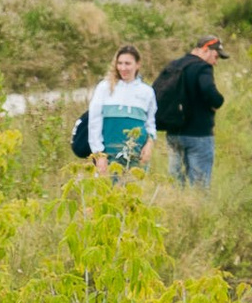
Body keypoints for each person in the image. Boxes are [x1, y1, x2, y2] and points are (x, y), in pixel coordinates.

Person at [156, 35, 229, 188]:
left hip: (174, 134)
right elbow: (210, 91)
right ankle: (198, 211)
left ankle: (178, 211)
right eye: (215, 56)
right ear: (205, 49)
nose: (215, 62)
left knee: (176, 185)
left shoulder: (174, 65)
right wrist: (218, 101)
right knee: (199, 187)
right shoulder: (202, 67)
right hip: (198, 135)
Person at [86, 45, 158, 170]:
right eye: (119, 63)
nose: (123, 68)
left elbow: (150, 124)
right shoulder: (104, 88)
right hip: (109, 156)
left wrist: (149, 145)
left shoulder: (147, 92)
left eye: (127, 63)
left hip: (136, 157)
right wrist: (99, 154)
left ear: (137, 64)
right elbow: (94, 123)